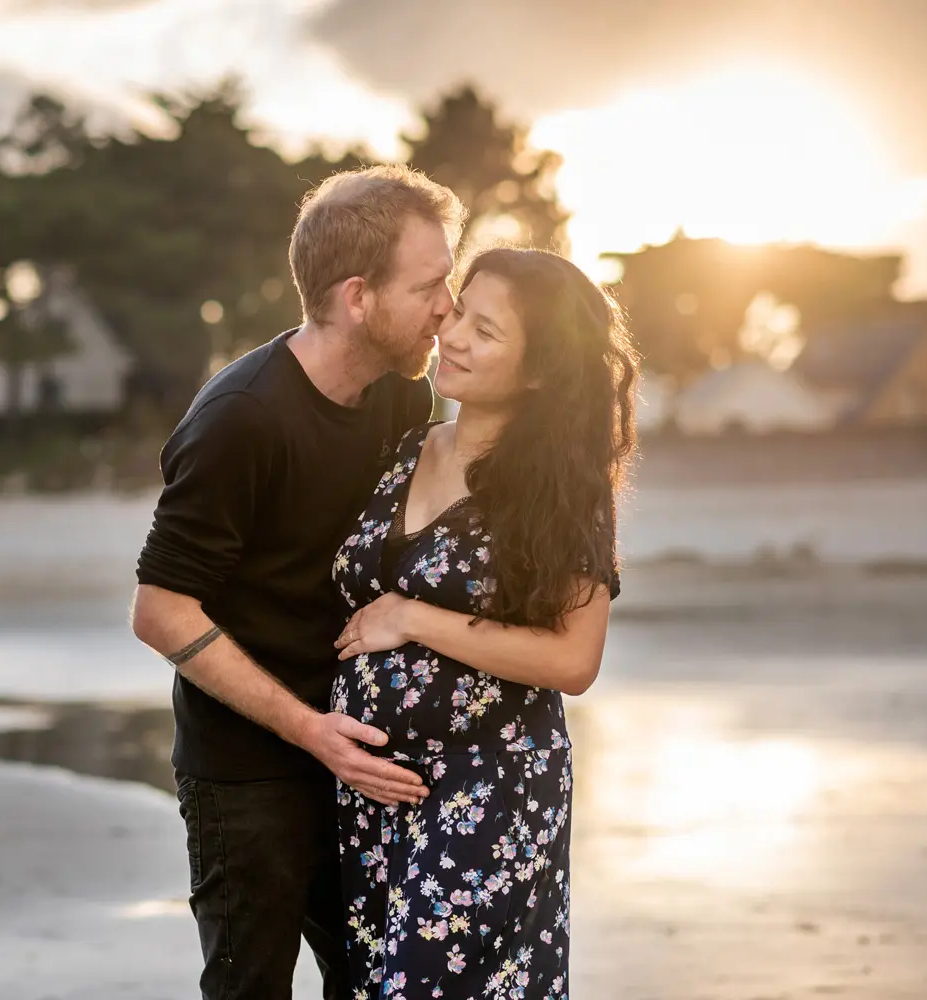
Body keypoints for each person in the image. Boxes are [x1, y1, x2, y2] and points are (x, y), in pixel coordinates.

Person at [130, 165, 466, 999]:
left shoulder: (401, 394)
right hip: (248, 769)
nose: (447, 306)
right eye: (429, 284)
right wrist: (310, 729)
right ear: (359, 297)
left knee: (379, 983)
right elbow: (160, 610)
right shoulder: (240, 419)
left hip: (362, 751)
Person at [330, 247, 639, 999]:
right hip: (373, 795)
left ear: (539, 371)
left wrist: (412, 617)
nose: (454, 335)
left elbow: (574, 661)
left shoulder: (562, 489)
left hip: (490, 789)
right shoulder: (402, 449)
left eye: (487, 331)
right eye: (459, 311)